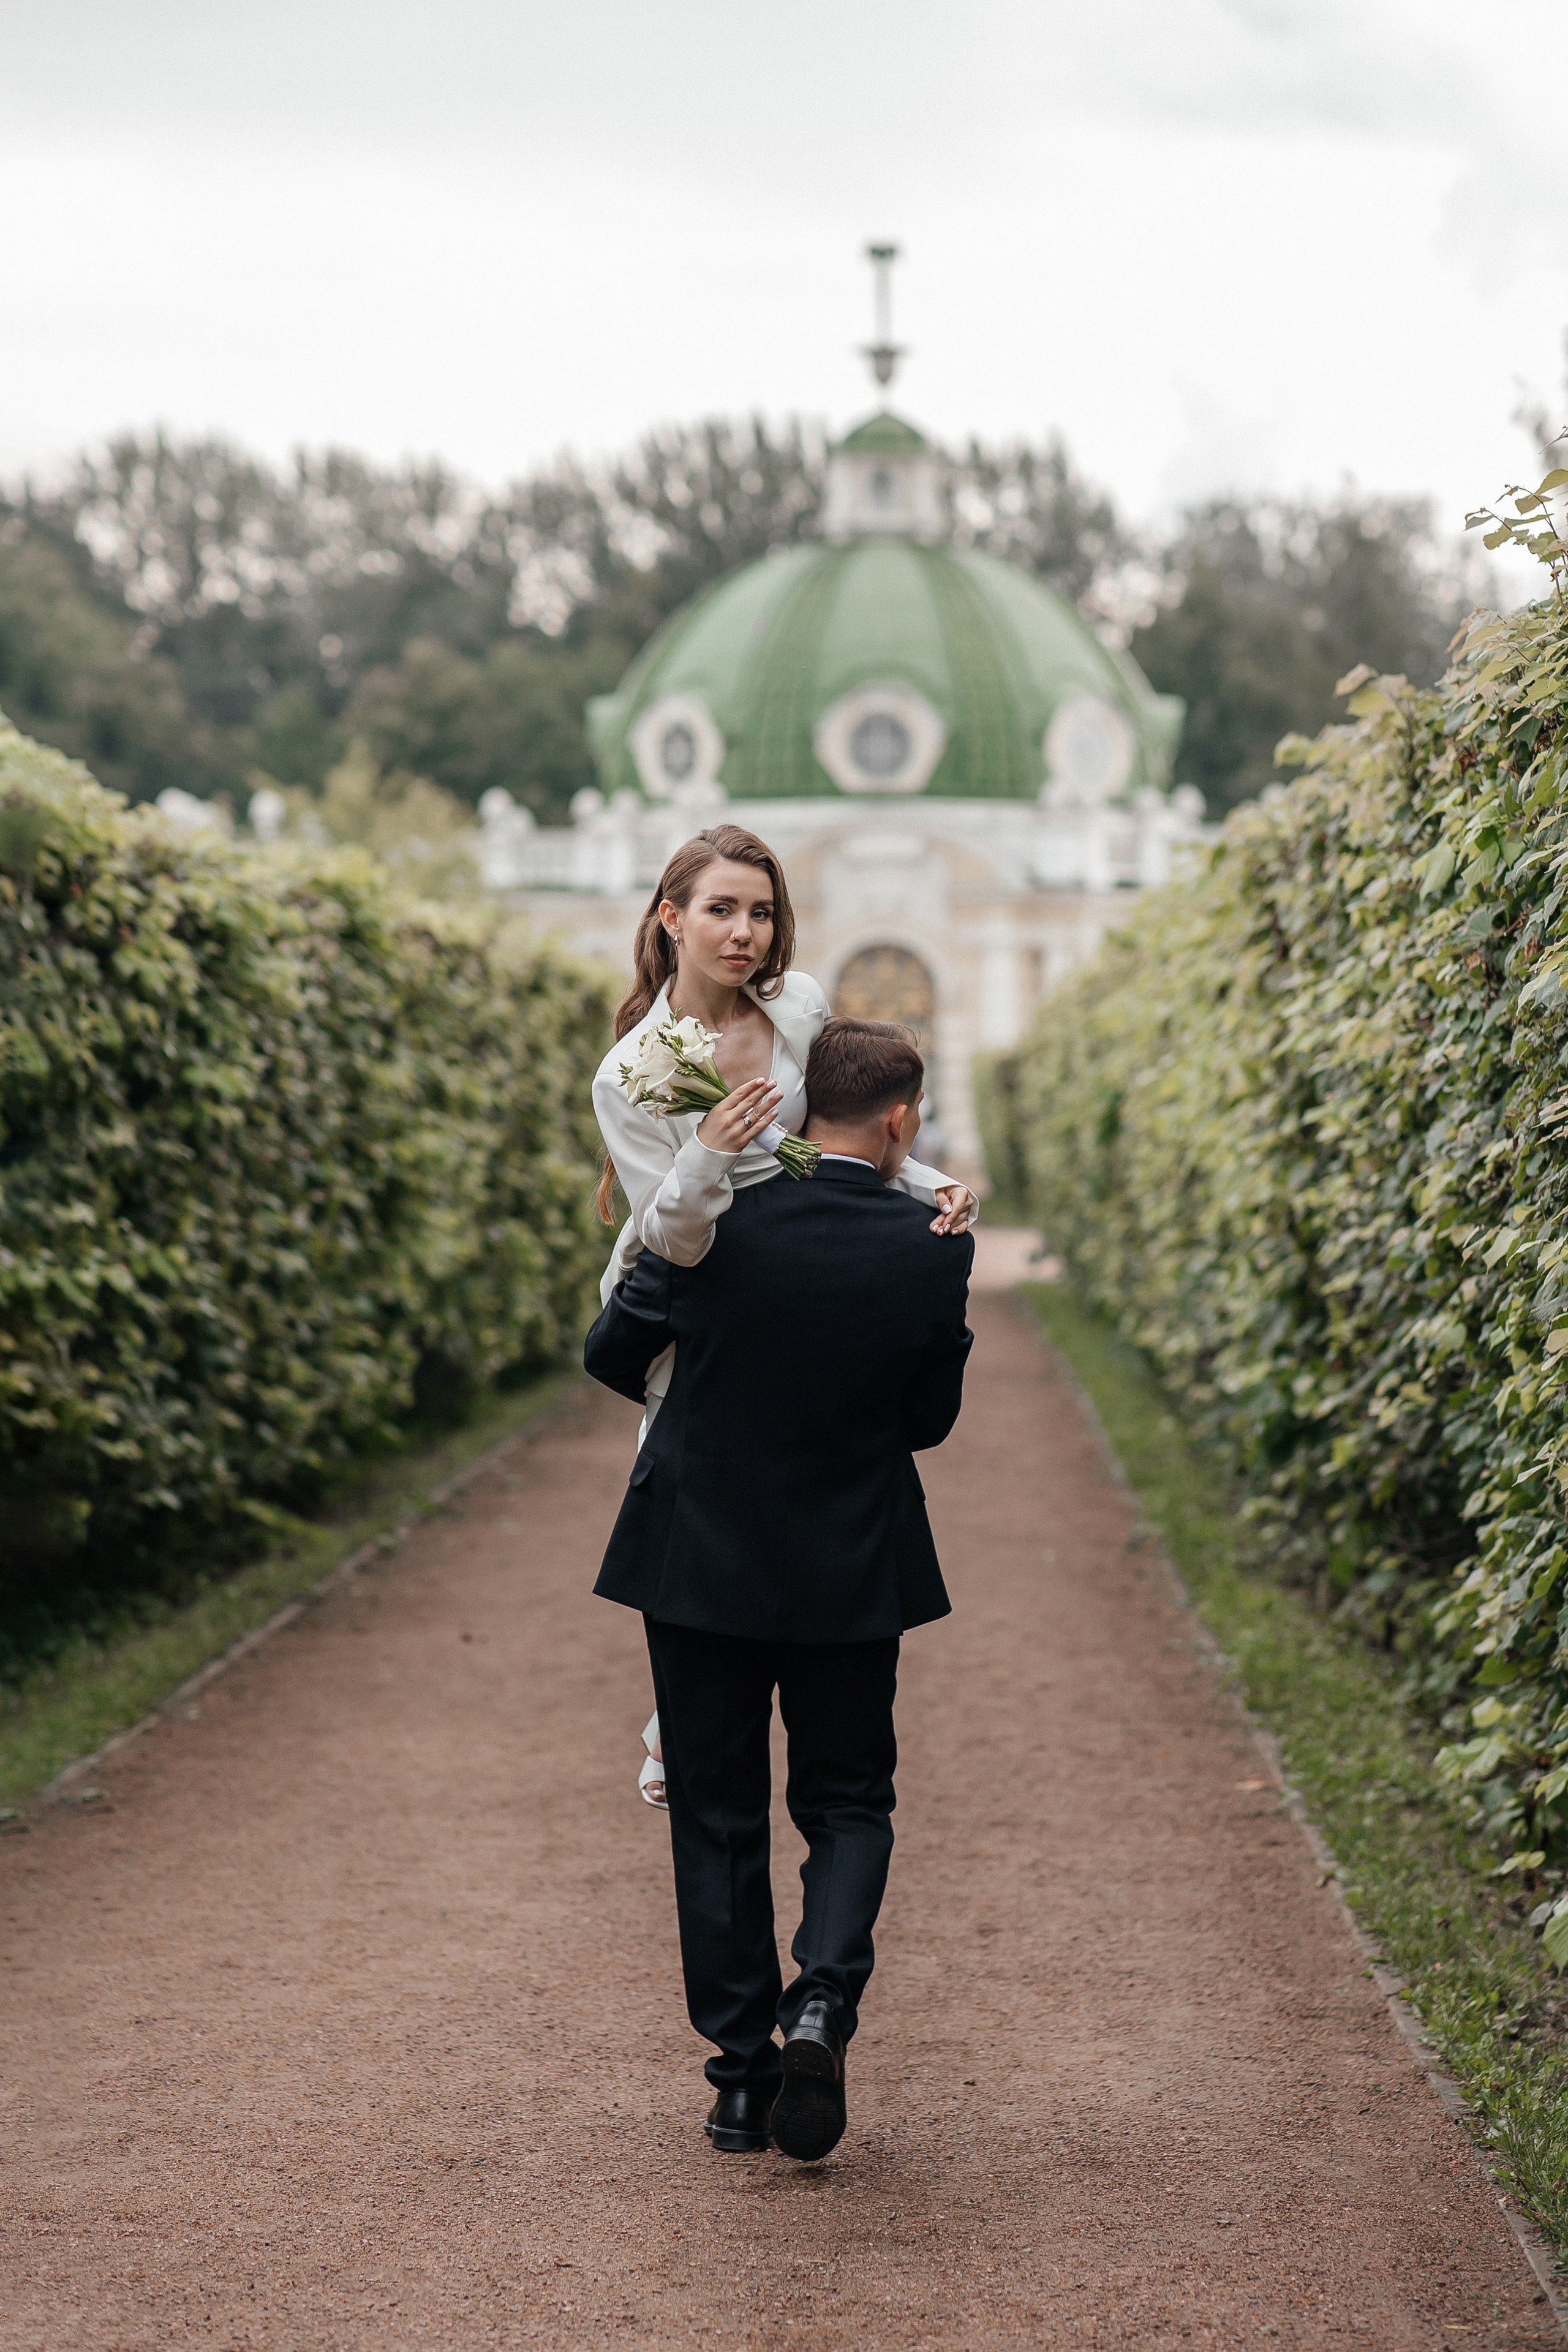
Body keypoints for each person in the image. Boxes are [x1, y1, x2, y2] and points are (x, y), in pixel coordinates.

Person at [584, 1017, 975, 2162]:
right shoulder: (931, 1242)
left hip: (697, 1552)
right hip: (850, 1560)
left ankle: (742, 2084)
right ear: (903, 1121)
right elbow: (927, 1422)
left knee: (715, 1817)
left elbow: (614, 1354)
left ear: (798, 1114)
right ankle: (823, 2004)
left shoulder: (714, 1220)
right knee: (848, 1800)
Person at [590, 821, 976, 1806]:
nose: (745, 933)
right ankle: (673, 1719)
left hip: (798, 1266)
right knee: (686, 1488)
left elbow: (837, 1137)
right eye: (721, 910)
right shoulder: (632, 1072)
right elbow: (671, 1241)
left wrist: (933, 1185)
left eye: (761, 913)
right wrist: (711, 1150)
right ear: (671, 919)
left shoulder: (799, 1005)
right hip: (703, 1282)